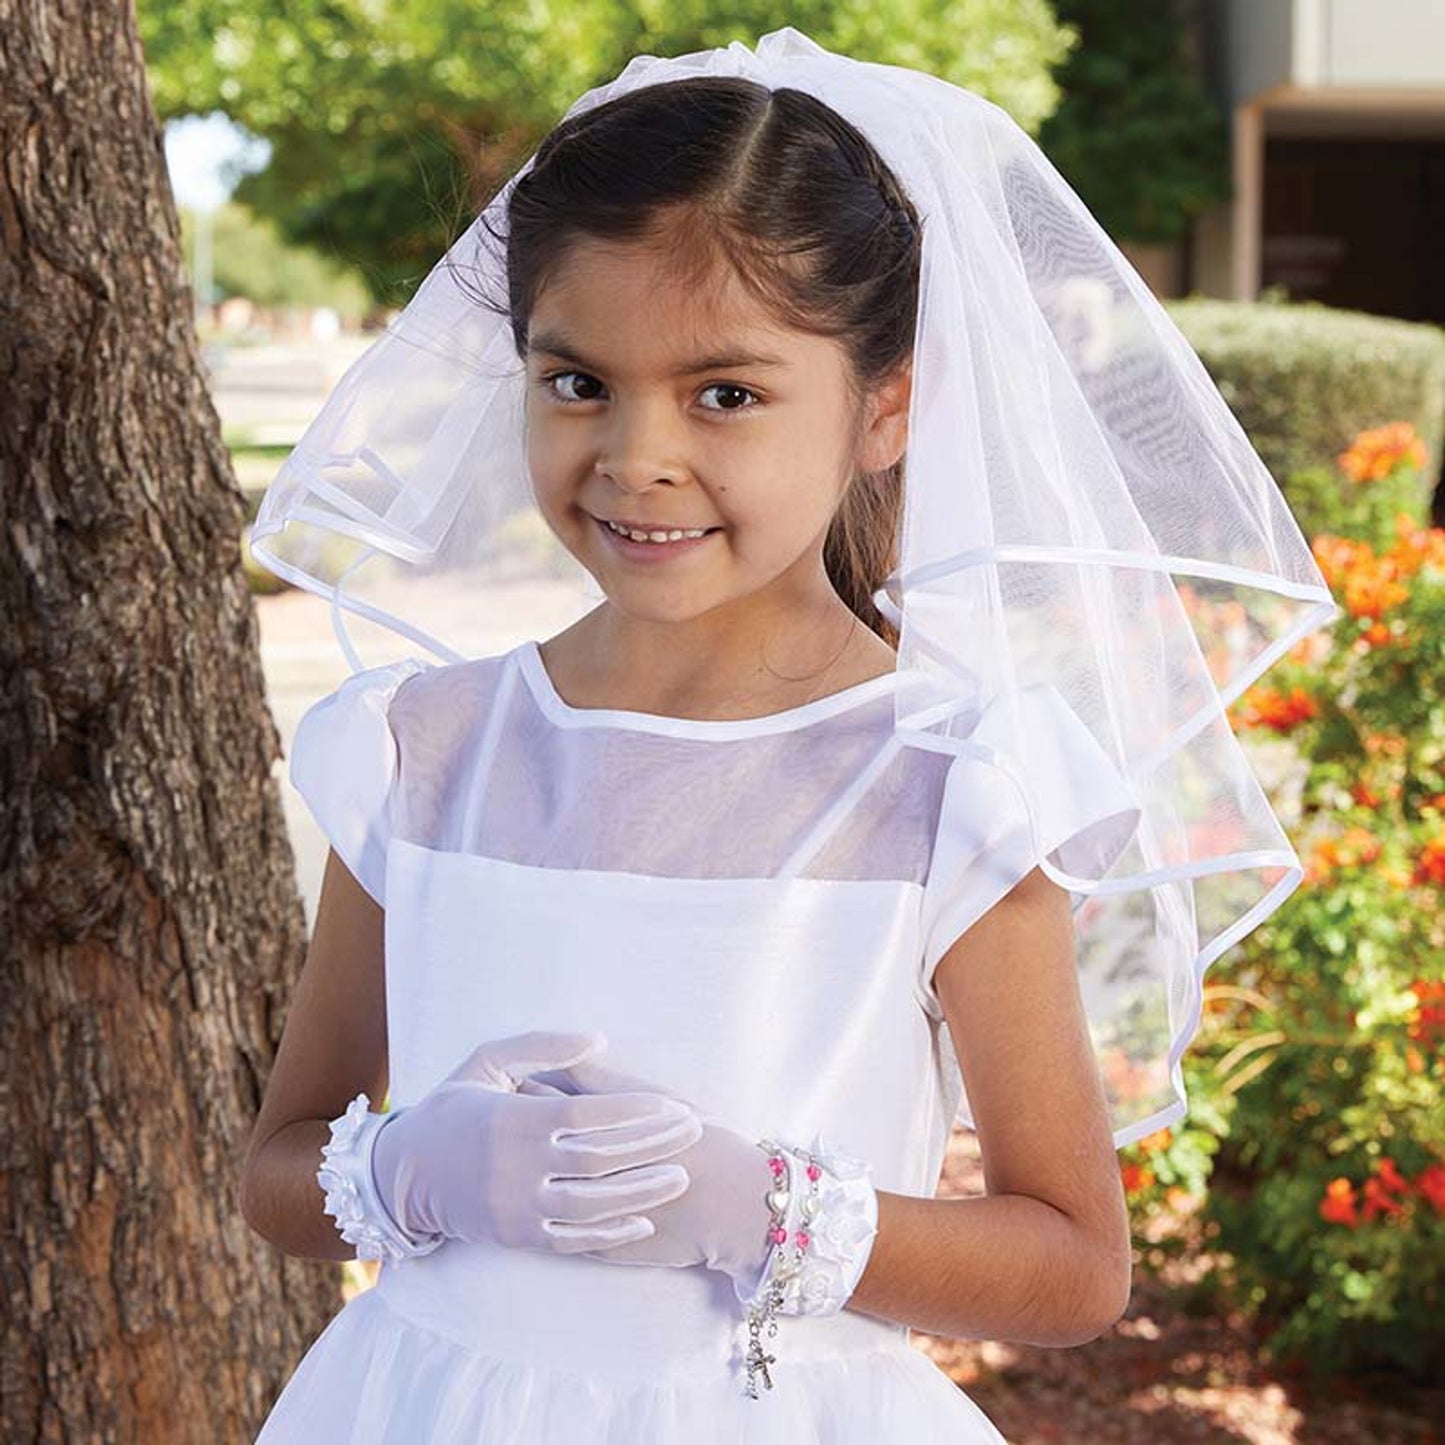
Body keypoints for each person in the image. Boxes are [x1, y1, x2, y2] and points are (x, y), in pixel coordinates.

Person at [240, 27, 1338, 1442]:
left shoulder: (947, 783)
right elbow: (277, 1165)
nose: (636, 454)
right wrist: (410, 1172)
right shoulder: (425, 748)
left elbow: (1073, 1263)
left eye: (726, 393)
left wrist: (762, 1210)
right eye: (576, 381)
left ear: (883, 407)